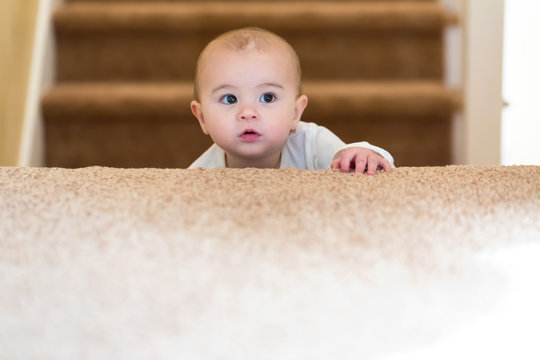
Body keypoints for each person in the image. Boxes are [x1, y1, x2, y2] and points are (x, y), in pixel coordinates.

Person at [188, 27, 394, 174]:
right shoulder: (199, 174)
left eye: (267, 97)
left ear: (296, 112)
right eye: (230, 98)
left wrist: (364, 154)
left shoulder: (311, 143)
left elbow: (351, 159)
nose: (248, 112)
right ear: (202, 117)